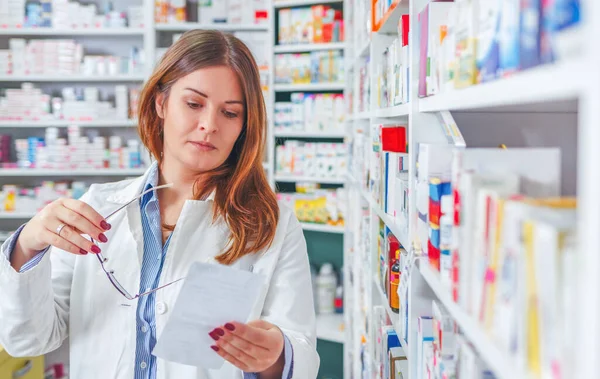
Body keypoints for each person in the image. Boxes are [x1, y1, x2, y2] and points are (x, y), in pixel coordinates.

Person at [0, 30, 319, 379]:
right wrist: (28, 245)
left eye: (230, 113)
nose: (209, 125)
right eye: (194, 104)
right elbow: (29, 339)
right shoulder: (99, 208)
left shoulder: (272, 225)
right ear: (160, 103)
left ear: (245, 126)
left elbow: (300, 354)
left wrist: (274, 355)